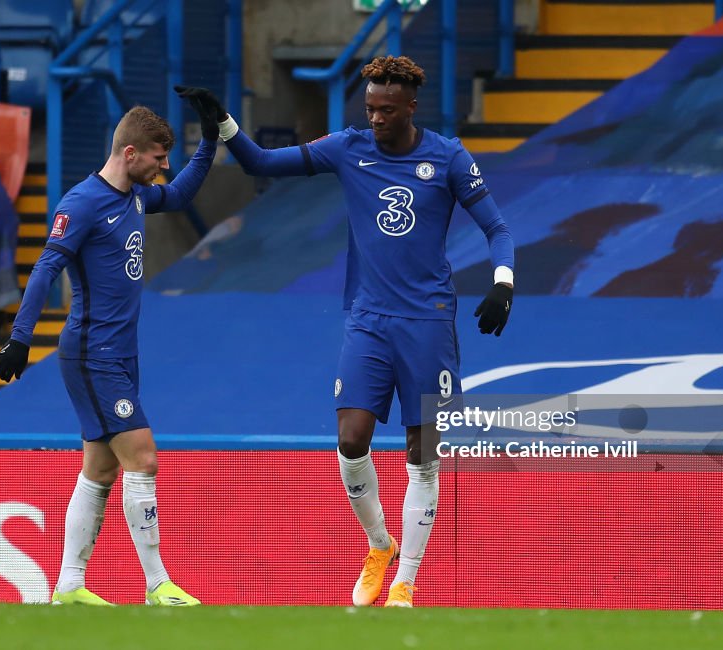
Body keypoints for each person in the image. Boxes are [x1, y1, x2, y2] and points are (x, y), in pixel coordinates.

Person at [175, 55, 514, 608]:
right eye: (370, 108)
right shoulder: (348, 147)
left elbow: (497, 227)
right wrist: (224, 123)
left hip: (429, 322)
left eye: (386, 109)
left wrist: (502, 283)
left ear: (410, 107)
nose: (376, 118)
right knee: (351, 439)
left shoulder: (448, 157)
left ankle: (406, 579)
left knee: (422, 452)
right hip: (369, 319)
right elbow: (261, 163)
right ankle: (380, 547)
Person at [0, 103, 219, 606]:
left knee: (99, 469)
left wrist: (209, 139)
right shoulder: (83, 203)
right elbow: (47, 268)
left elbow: (179, 194)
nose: (163, 168)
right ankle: (158, 585)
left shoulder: (135, 195)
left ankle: (69, 586)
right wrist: (20, 338)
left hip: (119, 354)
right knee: (143, 457)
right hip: (93, 354)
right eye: (158, 158)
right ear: (130, 152)